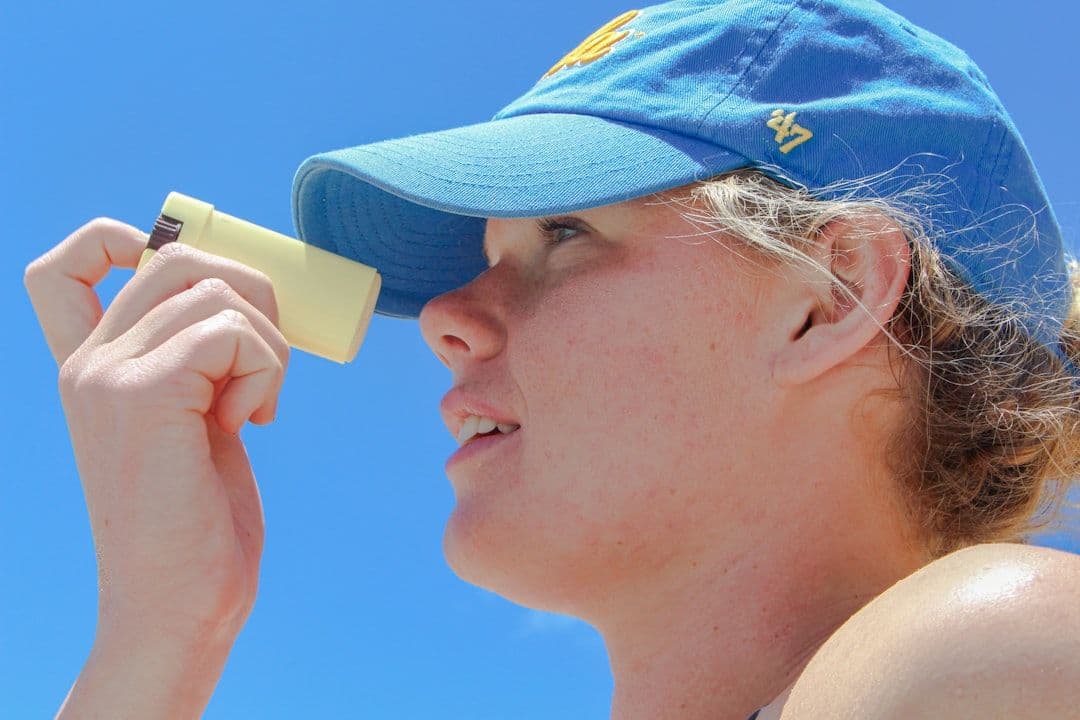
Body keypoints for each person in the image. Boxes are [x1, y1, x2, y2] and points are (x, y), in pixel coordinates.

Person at [24, 1, 1080, 718]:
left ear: (830, 295)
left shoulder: (992, 652)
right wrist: (161, 630)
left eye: (564, 234)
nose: (446, 318)